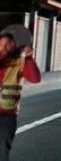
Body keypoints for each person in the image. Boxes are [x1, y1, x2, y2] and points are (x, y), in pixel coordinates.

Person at [1, 25, 42, 161]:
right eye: (1, 44)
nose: (4, 48)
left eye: (8, 45)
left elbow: (35, 79)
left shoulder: (19, 62)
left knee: (2, 152)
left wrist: (29, 58)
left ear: (14, 47)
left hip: (6, 116)